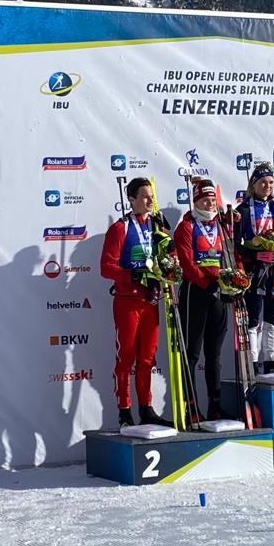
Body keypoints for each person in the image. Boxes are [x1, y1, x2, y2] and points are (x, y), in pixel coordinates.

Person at [100, 177, 171, 428]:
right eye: (144, 196)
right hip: (128, 301)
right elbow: (106, 267)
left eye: (151, 196)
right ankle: (124, 409)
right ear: (131, 200)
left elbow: (166, 260)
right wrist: (132, 275)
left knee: (147, 358)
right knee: (126, 356)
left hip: (150, 301)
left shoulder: (156, 227)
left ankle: (146, 408)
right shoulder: (121, 228)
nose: (150, 200)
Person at [173, 177, 228, 421]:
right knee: (192, 353)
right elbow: (186, 263)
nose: (210, 203)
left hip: (218, 293)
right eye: (205, 200)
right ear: (196, 201)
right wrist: (209, 281)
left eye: (212, 199)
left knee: (214, 354)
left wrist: (232, 280)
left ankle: (214, 405)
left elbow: (230, 255)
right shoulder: (186, 226)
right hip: (196, 291)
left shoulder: (222, 225)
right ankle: (191, 406)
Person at [235, 162, 274, 372]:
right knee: (253, 315)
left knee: (273, 314)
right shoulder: (242, 210)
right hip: (254, 270)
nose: (267, 186)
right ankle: (253, 361)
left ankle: (272, 359)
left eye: (271, 182)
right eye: (263, 182)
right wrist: (255, 253)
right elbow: (236, 245)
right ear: (253, 184)